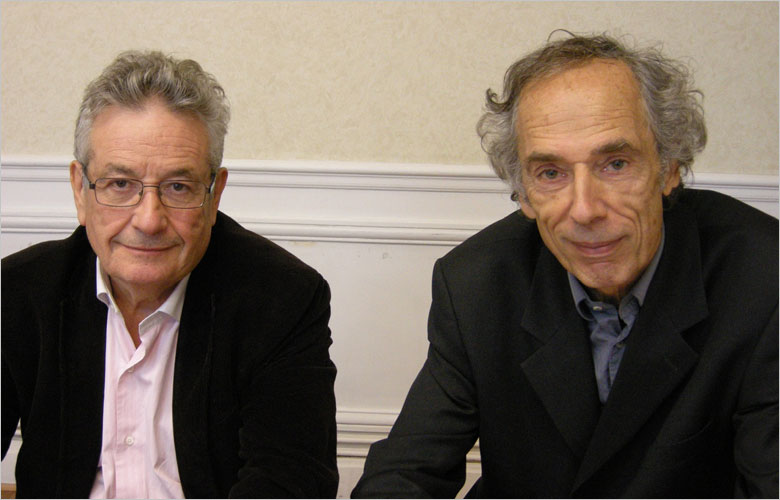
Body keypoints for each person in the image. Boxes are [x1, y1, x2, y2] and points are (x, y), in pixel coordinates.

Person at [352, 33, 778, 498]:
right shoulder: (476, 285)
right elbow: (407, 471)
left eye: (615, 164)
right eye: (551, 173)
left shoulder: (764, 279)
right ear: (524, 194)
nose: (584, 210)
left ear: (668, 167)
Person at [2, 50, 338, 498]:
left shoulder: (282, 299)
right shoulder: (19, 292)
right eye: (120, 184)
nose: (149, 220)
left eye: (178, 187)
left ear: (214, 195)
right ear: (80, 191)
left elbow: (292, 482)